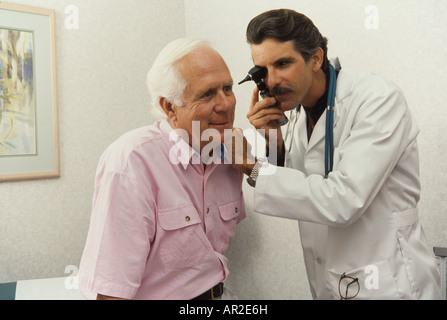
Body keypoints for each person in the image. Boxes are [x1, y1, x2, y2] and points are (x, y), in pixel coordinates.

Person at [231, 9, 441, 299]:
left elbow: (344, 199)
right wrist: (273, 137)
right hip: (329, 276)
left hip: (387, 279)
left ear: (316, 58)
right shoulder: (297, 110)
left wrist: (251, 167)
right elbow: (300, 180)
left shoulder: (377, 99)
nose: (273, 80)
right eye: (263, 69)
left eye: (283, 63)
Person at [78, 38, 246, 300]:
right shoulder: (132, 161)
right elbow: (111, 290)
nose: (226, 104)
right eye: (207, 94)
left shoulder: (231, 153)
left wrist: (262, 159)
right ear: (169, 107)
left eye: (228, 88)